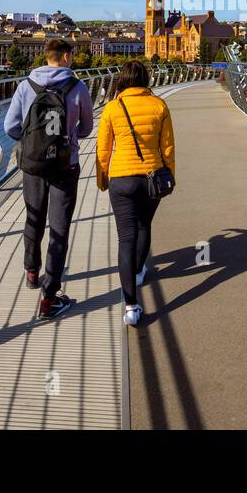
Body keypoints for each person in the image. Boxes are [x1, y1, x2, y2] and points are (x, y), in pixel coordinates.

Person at [4, 38, 93, 320]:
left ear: (47, 56)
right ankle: (50, 297)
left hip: (32, 166)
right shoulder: (78, 87)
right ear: (65, 57)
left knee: (33, 218)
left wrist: (32, 143)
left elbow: (10, 127)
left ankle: (31, 271)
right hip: (66, 166)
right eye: (72, 56)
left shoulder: (25, 86)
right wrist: (68, 140)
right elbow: (87, 127)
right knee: (59, 228)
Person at [96, 60, 175, 326]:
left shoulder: (112, 107)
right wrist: (170, 176)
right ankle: (140, 270)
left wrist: (102, 179)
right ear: (146, 78)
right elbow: (168, 149)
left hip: (122, 178)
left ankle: (131, 306)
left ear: (122, 80)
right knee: (144, 226)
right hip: (152, 177)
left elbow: (103, 149)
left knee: (125, 239)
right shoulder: (159, 105)